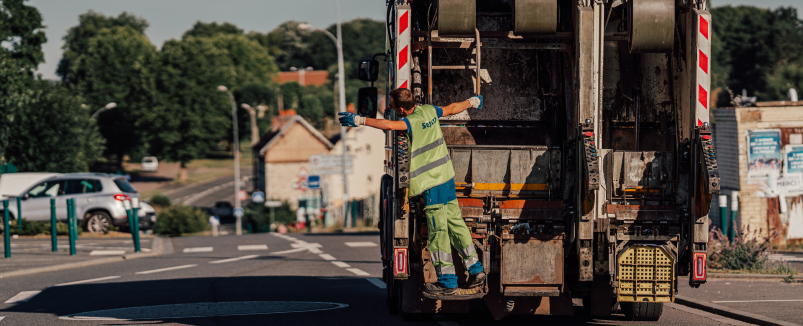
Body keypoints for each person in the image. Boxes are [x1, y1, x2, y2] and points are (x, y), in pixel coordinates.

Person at [338, 88, 485, 296]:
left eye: (391, 105)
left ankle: (448, 282)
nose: (389, 108)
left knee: (438, 232)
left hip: (432, 183)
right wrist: (472, 102)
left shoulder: (410, 122)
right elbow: (452, 108)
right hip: (446, 177)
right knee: (456, 223)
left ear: (400, 108)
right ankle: (476, 269)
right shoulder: (428, 110)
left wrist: (360, 121)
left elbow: (388, 124)